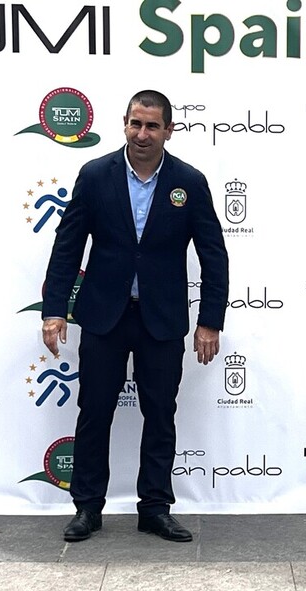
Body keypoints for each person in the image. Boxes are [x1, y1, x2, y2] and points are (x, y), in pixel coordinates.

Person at [41, 89, 229, 543]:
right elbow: (68, 246)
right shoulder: (95, 175)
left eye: (152, 126)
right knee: (94, 412)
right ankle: (87, 507)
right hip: (105, 314)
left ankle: (155, 507)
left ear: (169, 130)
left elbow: (213, 255)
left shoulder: (191, 181)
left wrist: (210, 320)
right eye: (134, 124)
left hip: (161, 319)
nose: (142, 134)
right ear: (124, 123)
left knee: (161, 414)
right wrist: (54, 311)